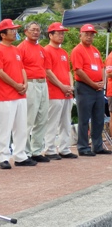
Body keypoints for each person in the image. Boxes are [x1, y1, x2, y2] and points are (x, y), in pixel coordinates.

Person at [0, 19, 37, 169]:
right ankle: (3, 156)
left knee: (21, 127)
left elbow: (22, 69)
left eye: (15, 29)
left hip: (20, 94)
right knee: (5, 126)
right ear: (3, 34)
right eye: (12, 30)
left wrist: (25, 83)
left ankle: (20, 155)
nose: (15, 32)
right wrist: (15, 85)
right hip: (6, 95)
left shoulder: (16, 50)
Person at [71, 24, 112, 156]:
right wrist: (93, 84)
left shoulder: (95, 50)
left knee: (99, 117)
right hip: (84, 87)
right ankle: (83, 147)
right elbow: (78, 71)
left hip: (98, 88)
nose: (89, 36)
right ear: (80, 35)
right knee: (84, 118)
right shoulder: (77, 50)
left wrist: (102, 83)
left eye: (91, 34)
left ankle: (97, 146)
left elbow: (102, 67)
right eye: (86, 34)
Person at [43, 22, 78, 160]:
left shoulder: (63, 52)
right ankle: (50, 149)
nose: (61, 36)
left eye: (63, 33)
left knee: (66, 121)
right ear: (50, 35)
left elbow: (68, 71)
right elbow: (48, 72)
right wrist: (62, 86)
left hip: (66, 93)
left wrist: (70, 86)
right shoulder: (46, 50)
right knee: (52, 122)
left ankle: (64, 148)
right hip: (54, 92)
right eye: (58, 33)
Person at [17, 21, 50, 163]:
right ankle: (25, 152)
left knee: (42, 119)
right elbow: (19, 69)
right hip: (30, 83)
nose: (36, 32)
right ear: (26, 31)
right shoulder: (21, 48)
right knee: (28, 119)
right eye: (33, 30)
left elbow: (46, 68)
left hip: (43, 83)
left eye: (38, 30)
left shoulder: (42, 49)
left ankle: (36, 150)